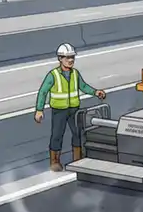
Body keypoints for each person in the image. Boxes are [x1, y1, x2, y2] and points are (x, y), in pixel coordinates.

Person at [34, 43, 106, 172]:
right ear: (60, 59)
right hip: (59, 110)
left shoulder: (75, 74)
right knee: (57, 135)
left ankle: (78, 158)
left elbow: (83, 86)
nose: (71, 60)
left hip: (74, 109)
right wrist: (39, 110)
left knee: (78, 133)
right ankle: (55, 161)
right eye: (67, 57)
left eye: (72, 57)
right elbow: (43, 92)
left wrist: (95, 92)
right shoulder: (53, 75)